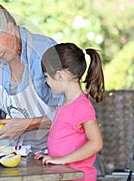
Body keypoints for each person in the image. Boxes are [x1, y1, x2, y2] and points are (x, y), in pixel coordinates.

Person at [0, 0, 64, 153]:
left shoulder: (45, 50)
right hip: (20, 153)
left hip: (58, 151)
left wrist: (27, 124)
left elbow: (69, 112)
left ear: (10, 29)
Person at [34, 43, 104, 181]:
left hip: (78, 177)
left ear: (60, 76)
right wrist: (52, 156)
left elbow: (96, 143)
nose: (47, 81)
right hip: (64, 175)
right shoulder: (66, 104)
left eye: (47, 76)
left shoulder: (81, 106)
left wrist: (62, 160)